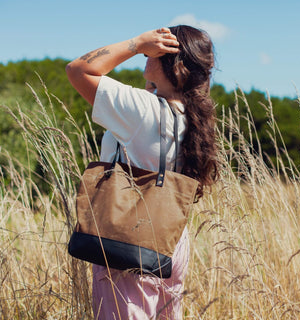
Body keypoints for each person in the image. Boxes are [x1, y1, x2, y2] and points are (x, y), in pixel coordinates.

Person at [66, 25, 218, 320]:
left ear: (170, 60)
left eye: (158, 47)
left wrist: (137, 43)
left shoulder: (143, 110)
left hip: (130, 238)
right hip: (171, 239)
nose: (148, 52)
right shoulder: (190, 115)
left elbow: (78, 69)